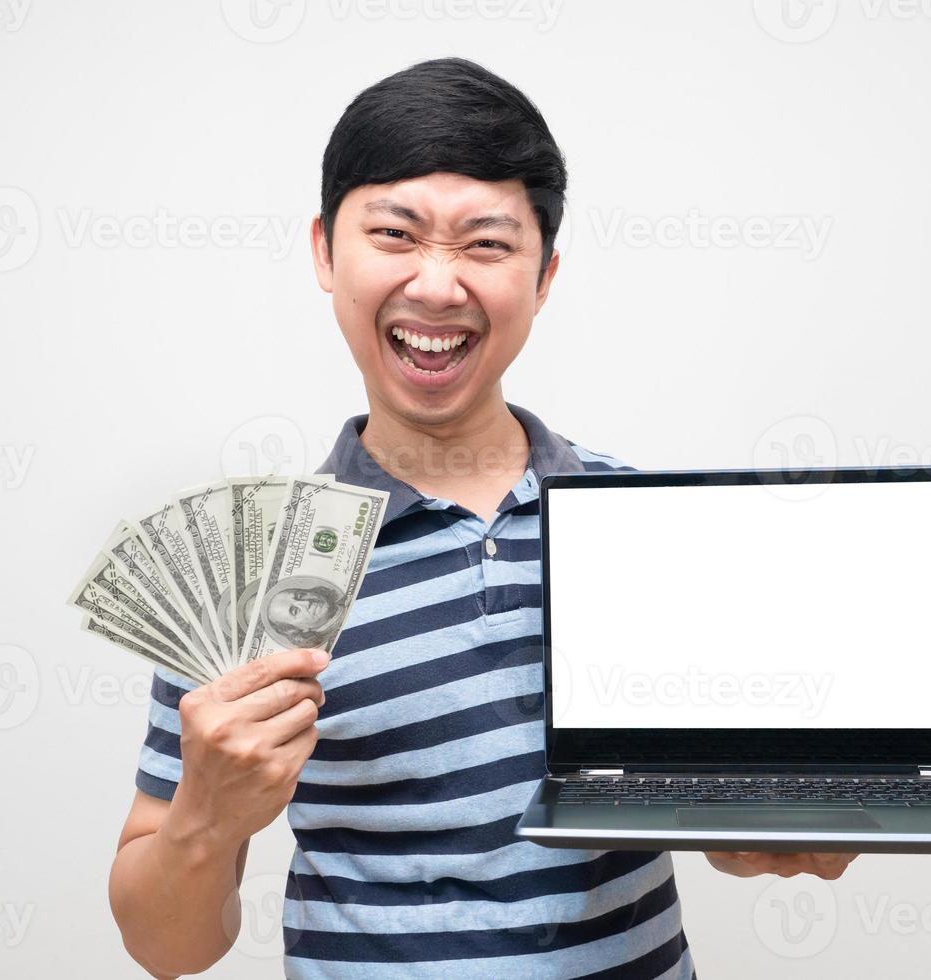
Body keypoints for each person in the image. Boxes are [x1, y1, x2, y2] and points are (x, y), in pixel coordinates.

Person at [108, 56, 858, 979]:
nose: (434, 285)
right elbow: (167, 948)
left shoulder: (646, 530)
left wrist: (778, 830)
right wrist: (203, 819)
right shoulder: (244, 572)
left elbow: (725, 836)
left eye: (485, 244)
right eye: (394, 233)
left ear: (543, 276)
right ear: (322, 251)